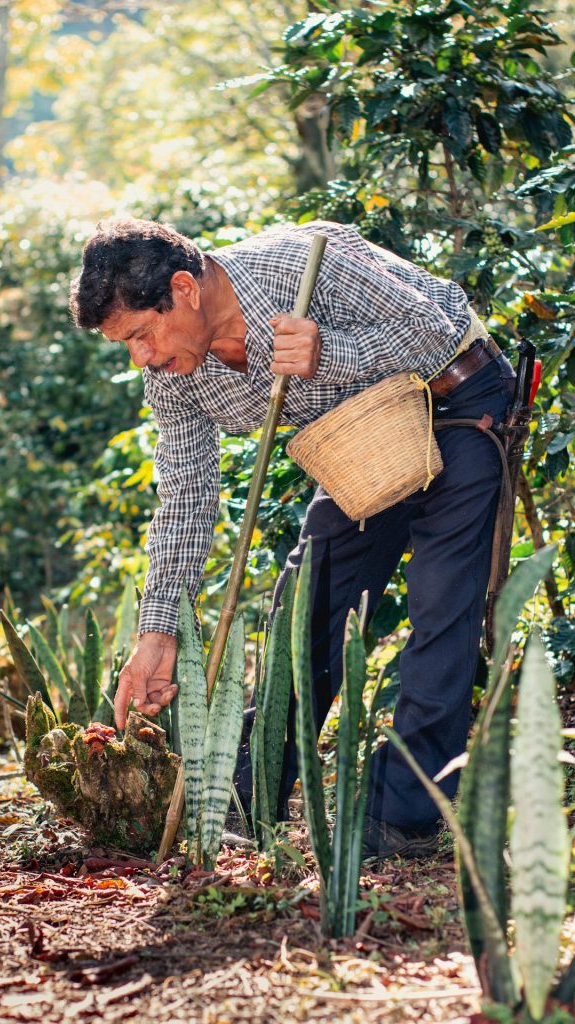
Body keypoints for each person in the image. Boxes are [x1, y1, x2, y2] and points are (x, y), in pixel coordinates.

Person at [69, 218, 516, 859]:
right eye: (126, 345)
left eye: (141, 334)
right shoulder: (173, 376)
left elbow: (434, 331)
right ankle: (253, 792)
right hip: (362, 438)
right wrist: (158, 630)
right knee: (308, 603)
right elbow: (186, 502)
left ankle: (405, 813)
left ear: (184, 288)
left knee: (442, 604)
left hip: (460, 398)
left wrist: (329, 352)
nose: (140, 356)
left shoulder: (303, 261)